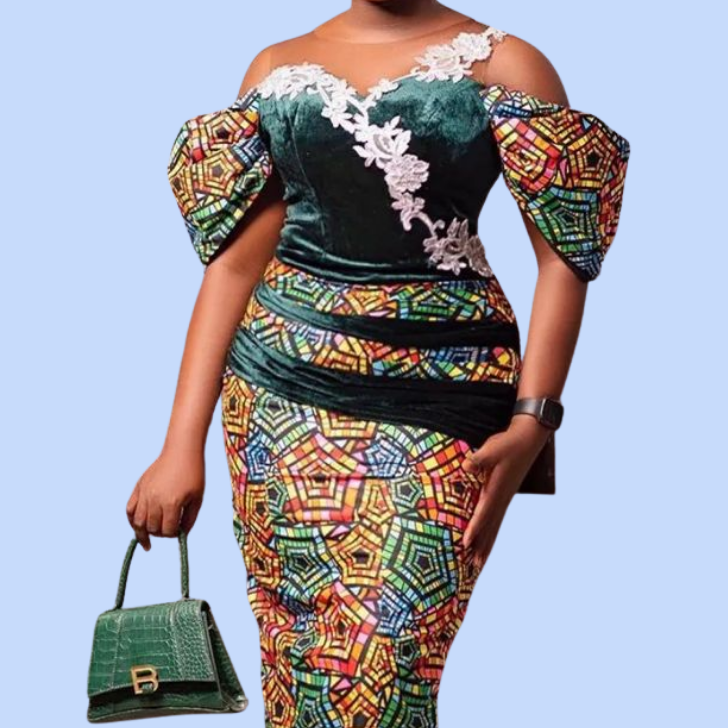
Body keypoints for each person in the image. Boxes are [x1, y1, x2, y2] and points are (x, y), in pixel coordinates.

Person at [127, 2, 630, 725]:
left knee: (385, 668)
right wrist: (180, 446)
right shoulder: (275, 66)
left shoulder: (507, 61)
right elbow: (234, 267)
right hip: (278, 401)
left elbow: (564, 258)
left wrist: (535, 421)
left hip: (444, 397)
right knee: (302, 663)